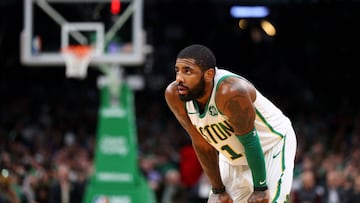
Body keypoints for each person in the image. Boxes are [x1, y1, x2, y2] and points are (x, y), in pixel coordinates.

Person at [164, 44, 297, 203]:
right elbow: (201, 144)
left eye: (187, 71)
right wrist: (218, 189)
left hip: (271, 147)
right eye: (177, 70)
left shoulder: (230, 91)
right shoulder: (174, 95)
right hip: (232, 158)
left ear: (209, 74)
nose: (179, 78)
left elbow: (250, 141)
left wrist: (260, 188)